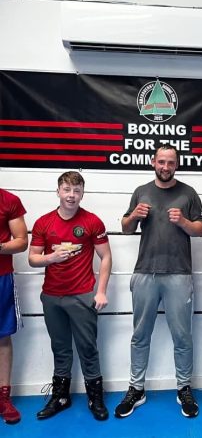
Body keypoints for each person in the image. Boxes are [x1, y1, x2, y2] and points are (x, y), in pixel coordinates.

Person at [114, 144, 202, 419]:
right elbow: (125, 227)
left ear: (177, 164)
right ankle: (136, 388)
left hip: (179, 273)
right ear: (154, 162)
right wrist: (134, 216)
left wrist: (184, 223)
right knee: (140, 335)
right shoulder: (141, 191)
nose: (166, 167)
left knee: (183, 337)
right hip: (145, 272)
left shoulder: (188, 193)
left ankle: (184, 388)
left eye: (171, 162)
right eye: (161, 162)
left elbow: (201, 229)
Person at [29, 171, 112, 421]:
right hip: (52, 296)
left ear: (82, 193)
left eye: (76, 191)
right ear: (58, 192)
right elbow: (32, 259)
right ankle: (61, 397)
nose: (71, 195)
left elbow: (106, 257)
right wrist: (50, 258)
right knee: (60, 348)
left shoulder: (92, 221)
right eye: (67, 190)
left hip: (82, 295)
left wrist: (100, 291)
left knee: (88, 348)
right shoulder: (43, 222)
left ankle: (95, 397)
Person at [0, 189, 28, 425]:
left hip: (1, 277)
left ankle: (3, 397)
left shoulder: (8, 200)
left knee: (2, 337)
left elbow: (21, 242)